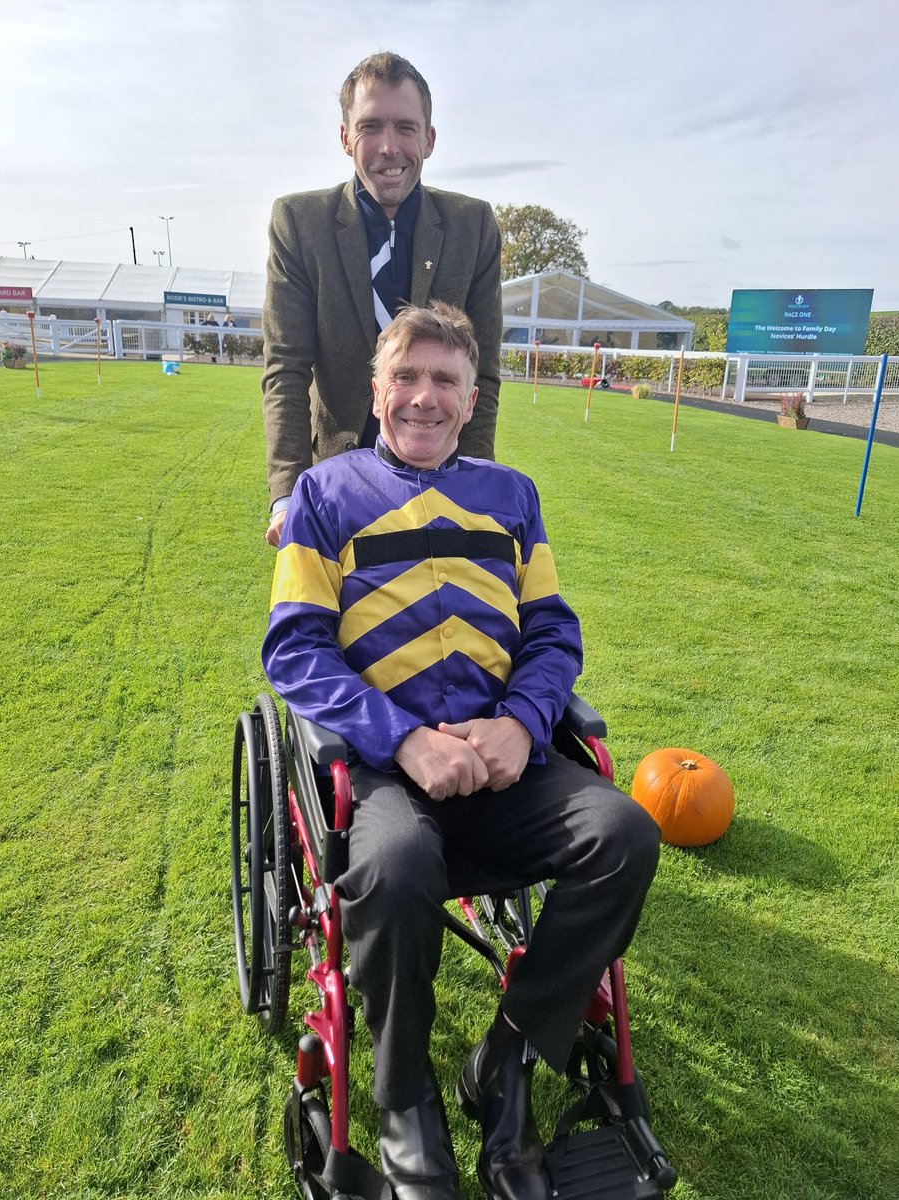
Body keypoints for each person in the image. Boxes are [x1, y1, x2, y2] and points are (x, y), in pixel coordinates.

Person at [262, 304, 659, 1200]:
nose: (424, 397)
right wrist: (402, 740)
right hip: (385, 771)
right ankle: (406, 1101)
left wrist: (521, 723)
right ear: (376, 391)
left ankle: (507, 1060)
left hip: (502, 761)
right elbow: (293, 648)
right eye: (407, 377)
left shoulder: (512, 497)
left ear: (471, 396)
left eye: (445, 380)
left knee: (625, 833)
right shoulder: (324, 497)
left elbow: (553, 632)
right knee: (397, 864)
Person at [261, 51, 503, 549]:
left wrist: (473, 485)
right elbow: (286, 368)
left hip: (441, 481)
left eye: (406, 128)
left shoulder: (472, 227)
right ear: (345, 136)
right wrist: (288, 499)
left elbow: (485, 374)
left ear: (430, 139)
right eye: (370, 126)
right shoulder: (299, 224)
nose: (389, 147)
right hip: (337, 489)